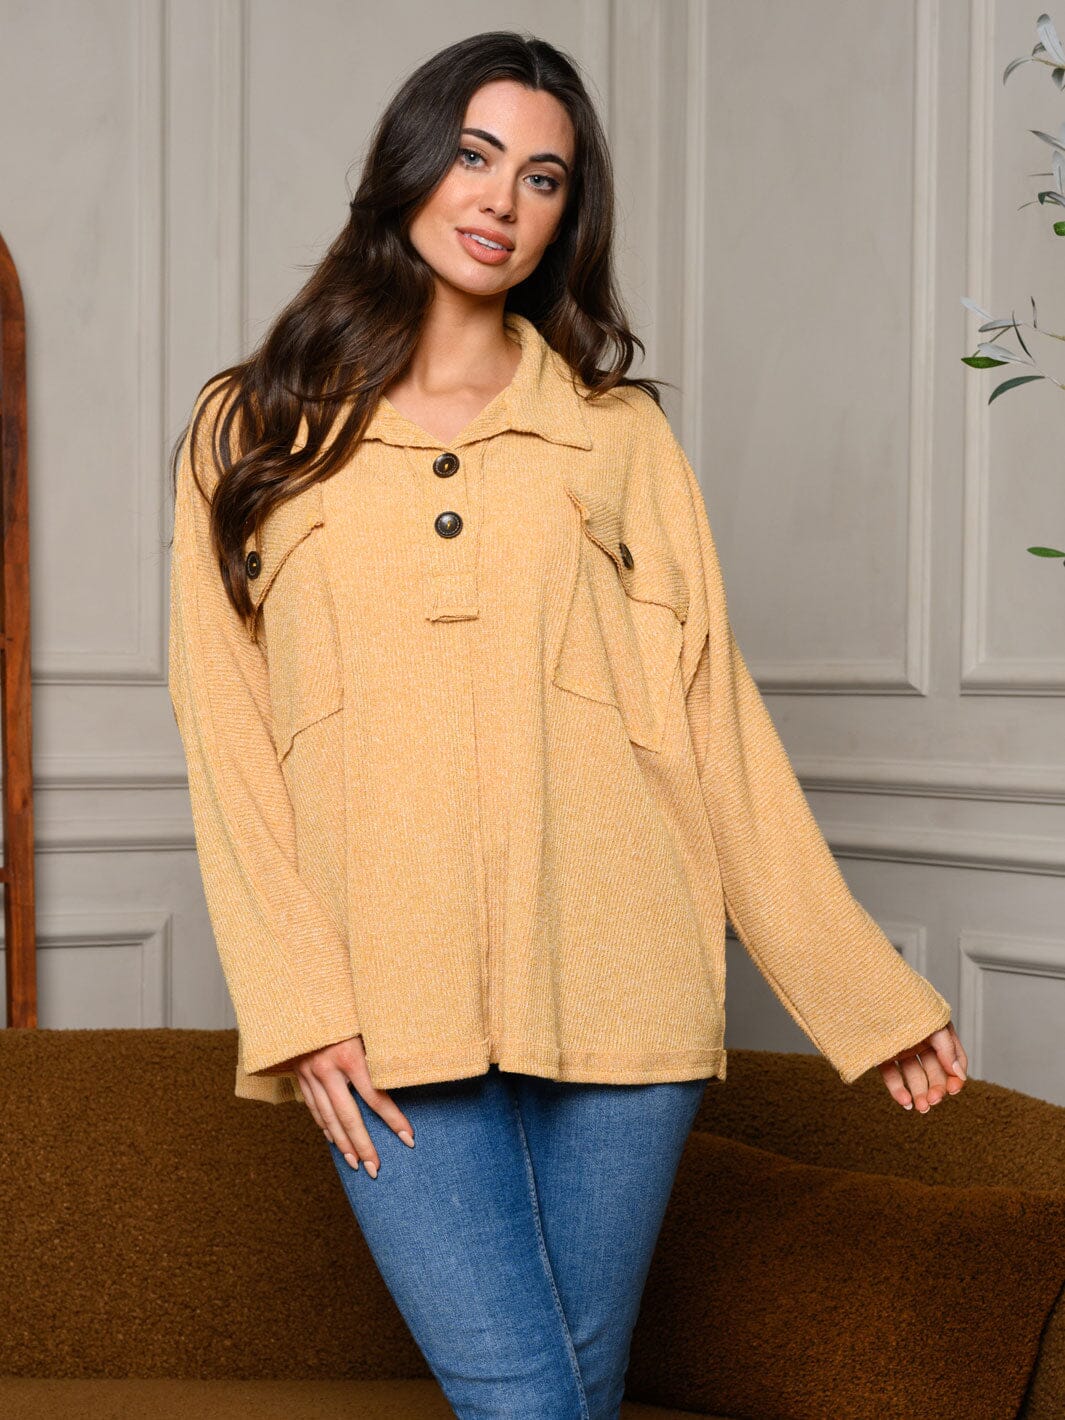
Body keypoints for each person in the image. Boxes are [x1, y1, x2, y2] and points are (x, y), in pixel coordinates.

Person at [166, 29, 969, 1420]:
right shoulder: (254, 428)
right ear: (410, 164)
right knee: (528, 1403)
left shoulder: (617, 437)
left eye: (542, 178)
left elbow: (712, 725)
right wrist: (300, 1007)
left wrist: (863, 994)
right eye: (474, 156)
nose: (501, 199)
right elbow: (228, 743)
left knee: (571, 1402)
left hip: (624, 988)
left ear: (566, 216)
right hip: (383, 1001)